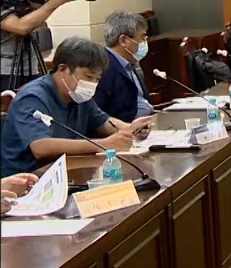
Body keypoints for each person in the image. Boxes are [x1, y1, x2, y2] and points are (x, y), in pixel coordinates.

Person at [0, 36, 150, 174]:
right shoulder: (32, 97)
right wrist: (104, 144)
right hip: (28, 178)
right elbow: (40, 147)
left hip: (67, 170)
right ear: (62, 69)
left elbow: (102, 122)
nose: (92, 84)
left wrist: (129, 129)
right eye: (88, 76)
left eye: (97, 79)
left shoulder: (78, 95)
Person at [95, 11, 153, 122]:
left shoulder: (130, 63)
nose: (145, 43)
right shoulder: (104, 68)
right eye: (142, 39)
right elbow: (99, 116)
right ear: (123, 41)